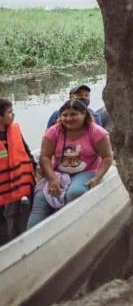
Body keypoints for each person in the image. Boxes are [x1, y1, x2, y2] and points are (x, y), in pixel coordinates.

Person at [27, 99, 115, 229]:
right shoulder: (53, 131)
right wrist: (52, 178)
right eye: (65, 115)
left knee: (75, 192)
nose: (68, 118)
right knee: (41, 197)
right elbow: (45, 157)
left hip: (87, 170)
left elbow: (107, 157)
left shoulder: (97, 132)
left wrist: (97, 177)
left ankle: (69, 227)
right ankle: (30, 236)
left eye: (73, 114)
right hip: (59, 171)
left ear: (84, 114)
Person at [0, 99, 36, 245]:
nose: (13, 115)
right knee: (5, 219)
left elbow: (26, 151)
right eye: (9, 112)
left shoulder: (14, 131)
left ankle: (20, 238)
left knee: (14, 214)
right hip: (3, 190)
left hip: (19, 183)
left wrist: (35, 169)